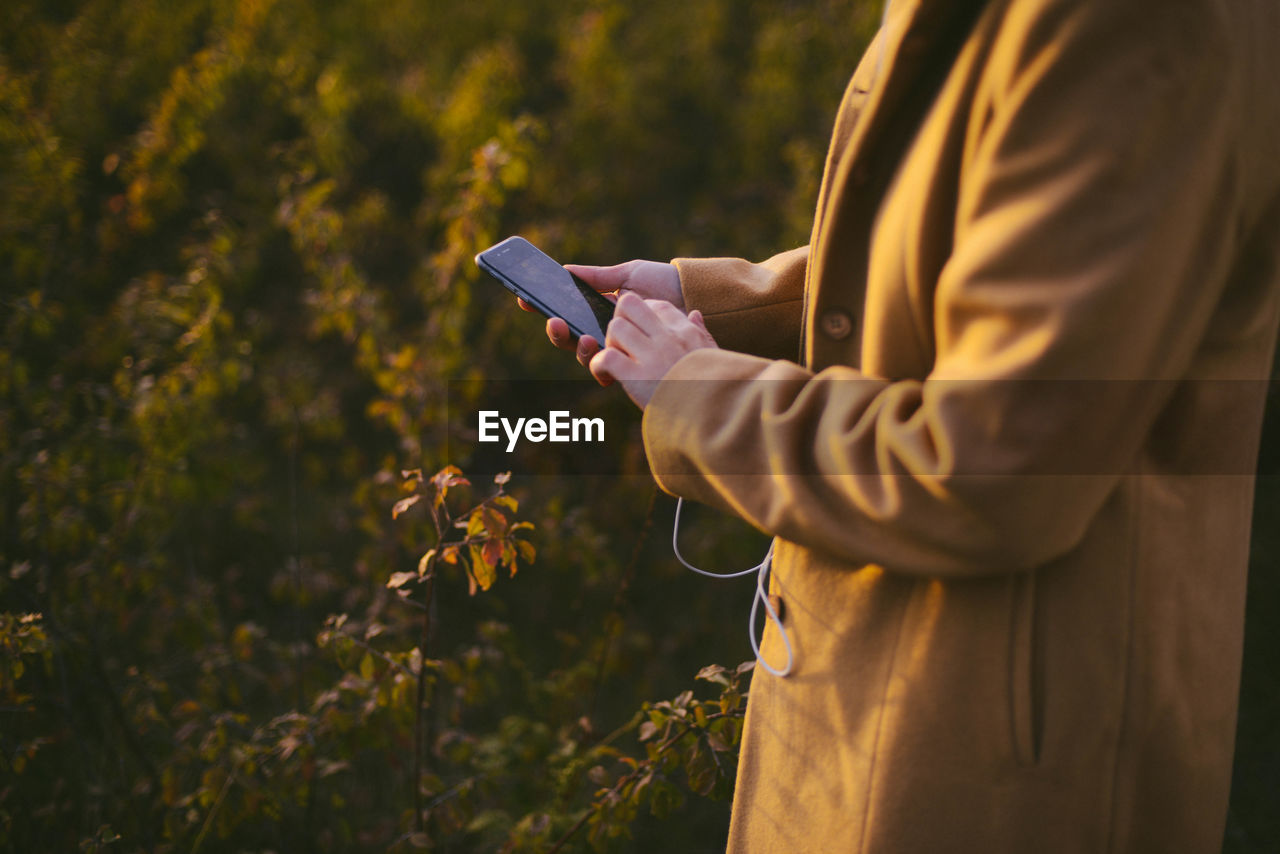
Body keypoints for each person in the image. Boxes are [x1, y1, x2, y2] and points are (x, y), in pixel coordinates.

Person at [526, 0, 1280, 850]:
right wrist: (714, 308)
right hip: (909, 693)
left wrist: (698, 393)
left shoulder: (1133, 26)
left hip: (995, 754)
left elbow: (992, 468)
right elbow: (981, 248)